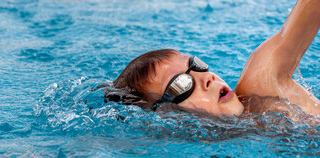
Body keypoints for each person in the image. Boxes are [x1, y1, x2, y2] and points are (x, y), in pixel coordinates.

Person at [112, 0, 319, 120]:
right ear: (165, 115)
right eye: (181, 84)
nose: (208, 78)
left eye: (196, 65)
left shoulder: (262, 87)